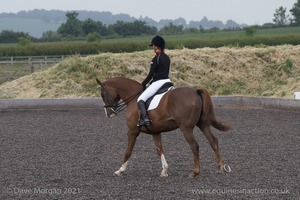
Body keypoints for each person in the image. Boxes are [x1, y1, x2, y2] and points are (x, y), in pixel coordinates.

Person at [137, 35, 171, 127]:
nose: (152, 48)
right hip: (167, 81)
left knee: (140, 99)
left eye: (153, 46)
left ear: (156, 46)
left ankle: (145, 119)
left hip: (158, 83)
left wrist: (143, 84)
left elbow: (151, 75)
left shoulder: (156, 58)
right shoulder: (167, 57)